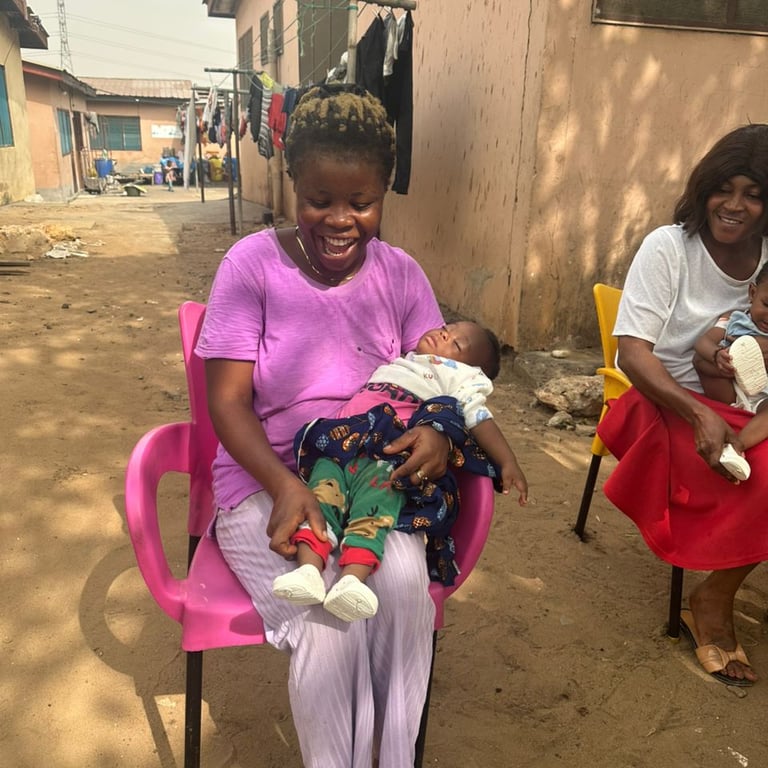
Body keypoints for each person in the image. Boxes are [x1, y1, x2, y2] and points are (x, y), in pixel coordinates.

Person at [195, 83, 463, 766]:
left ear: (383, 195)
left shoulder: (401, 276)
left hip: (371, 480)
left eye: (360, 202)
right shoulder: (251, 267)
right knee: (325, 621)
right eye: (320, 200)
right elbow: (226, 402)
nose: (340, 220)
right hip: (269, 480)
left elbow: (442, 380)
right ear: (293, 183)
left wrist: (438, 431)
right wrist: (285, 486)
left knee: (399, 592)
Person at [597, 123, 768, 687]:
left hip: (747, 402)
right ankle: (713, 601)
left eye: (753, 194)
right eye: (724, 188)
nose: (734, 205)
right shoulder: (669, 247)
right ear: (704, 187)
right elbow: (632, 354)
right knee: (762, 473)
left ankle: (720, 584)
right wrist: (700, 413)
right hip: (663, 400)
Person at [272, 321, 529, 622]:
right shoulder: (404, 361)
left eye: (457, 344)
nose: (445, 334)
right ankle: (308, 571)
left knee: (374, 511)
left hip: (387, 457)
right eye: (447, 328)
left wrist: (507, 461)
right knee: (320, 500)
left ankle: (352, 580)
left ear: (471, 368)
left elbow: (479, 417)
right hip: (341, 447)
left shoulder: (460, 376)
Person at [693, 261, 768, 480]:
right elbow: (702, 342)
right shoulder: (734, 319)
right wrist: (717, 355)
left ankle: (736, 447)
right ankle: (730, 413)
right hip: (728, 388)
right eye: (766, 304)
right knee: (700, 362)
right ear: (752, 293)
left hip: (761, 398)